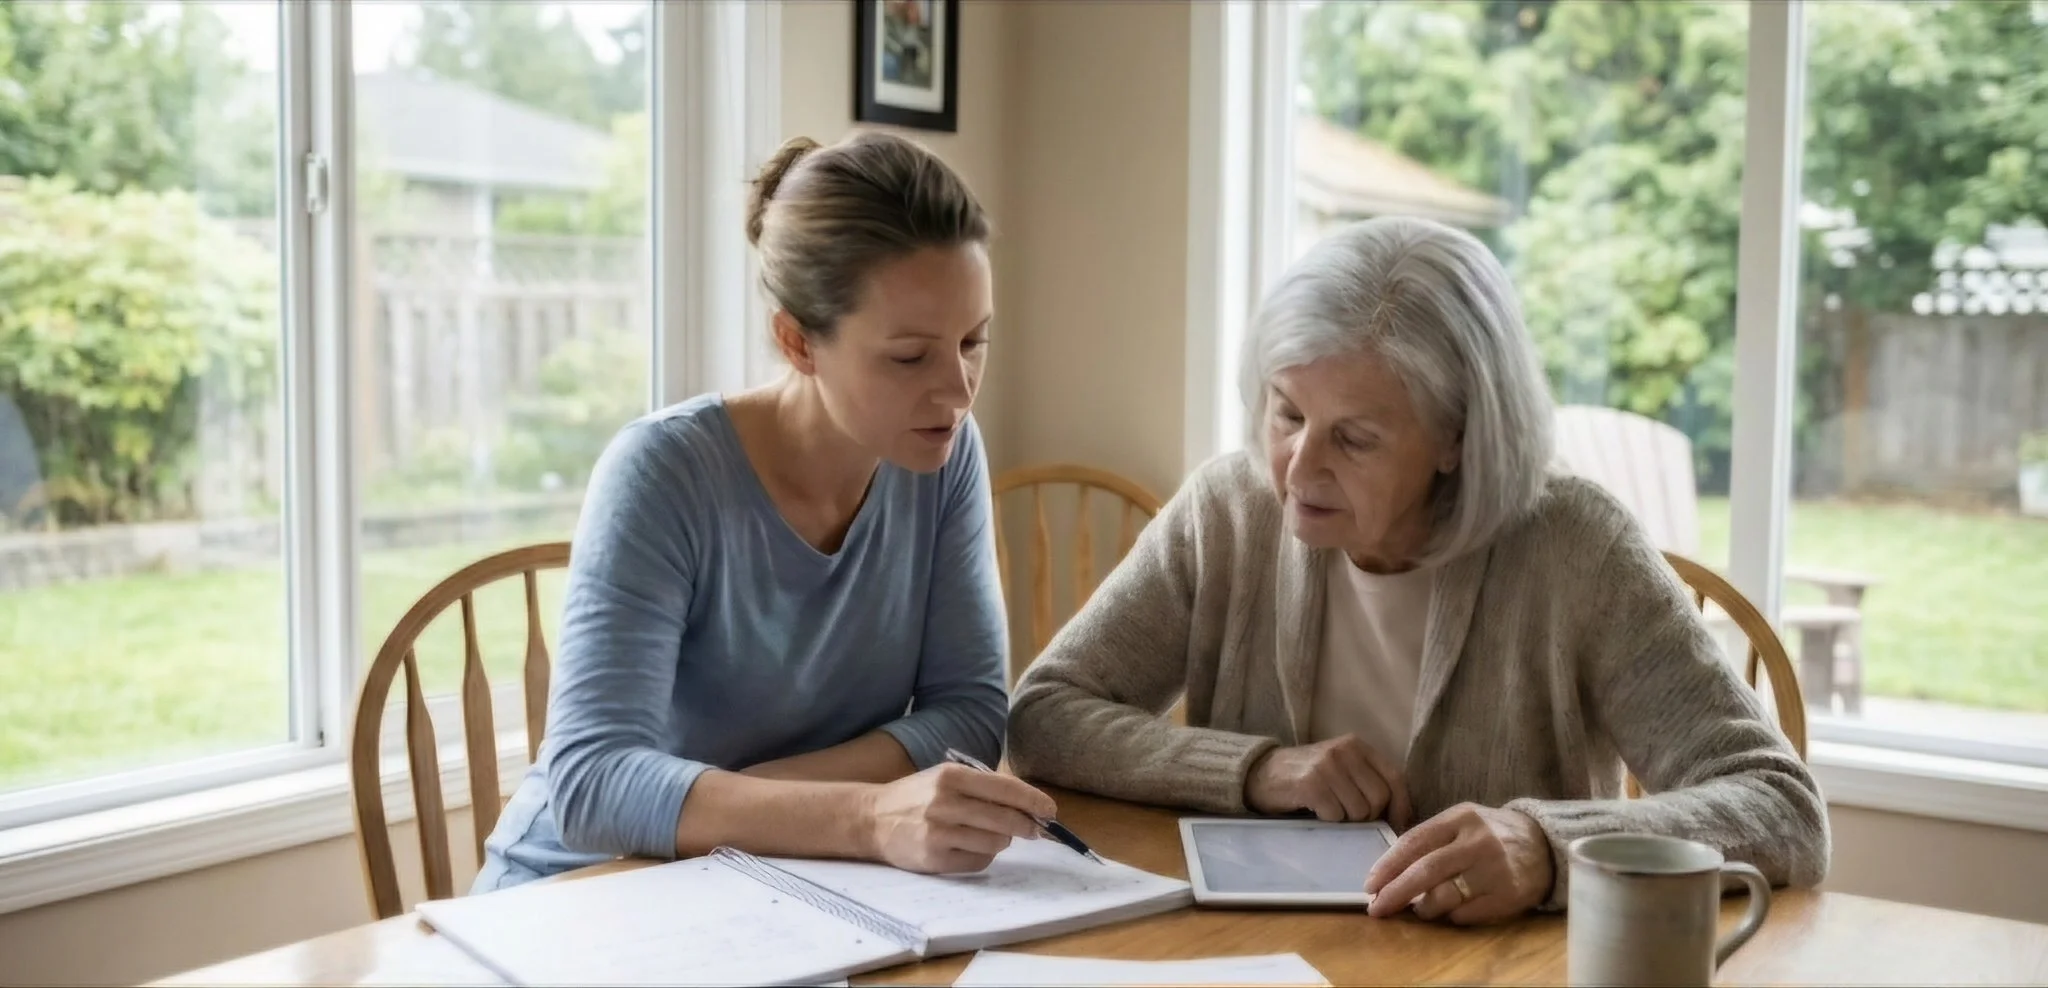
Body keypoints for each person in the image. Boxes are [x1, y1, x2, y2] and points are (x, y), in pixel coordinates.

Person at [1006, 216, 1829, 924]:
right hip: (1261, 958)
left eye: (1355, 438)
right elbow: (1044, 717)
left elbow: (1781, 807)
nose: (1296, 469)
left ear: (1458, 439)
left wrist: (1548, 847)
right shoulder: (1229, 508)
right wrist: (1257, 771)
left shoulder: (1577, 546)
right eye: (1287, 412)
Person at [475, 131, 1056, 892]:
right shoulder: (663, 472)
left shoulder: (944, 454)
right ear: (797, 342)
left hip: (788, 876)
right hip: (588, 886)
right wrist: (866, 815)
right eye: (910, 357)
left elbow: (970, 713)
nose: (958, 389)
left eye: (974, 341)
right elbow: (593, 783)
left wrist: (747, 801)